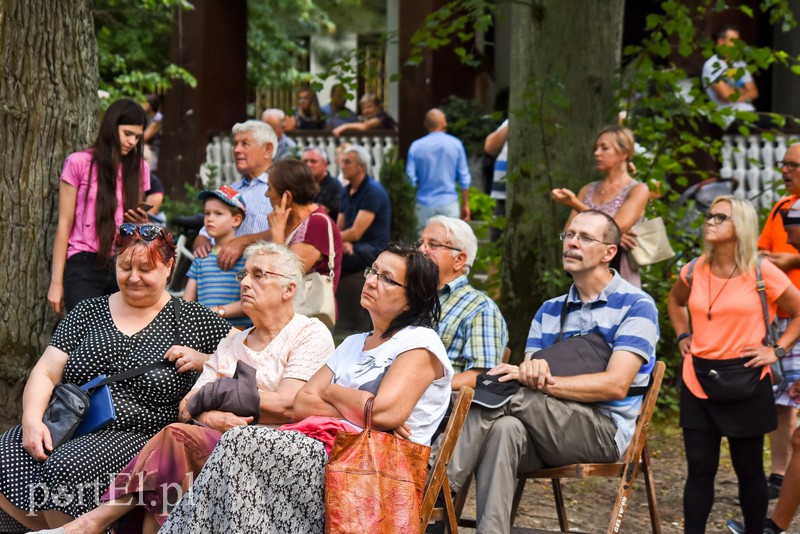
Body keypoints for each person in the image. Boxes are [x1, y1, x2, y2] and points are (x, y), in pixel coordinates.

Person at [158, 243, 454, 533]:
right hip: (330, 455)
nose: (372, 281)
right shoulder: (353, 343)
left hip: (377, 471)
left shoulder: (421, 343)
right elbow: (302, 404)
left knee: (242, 442)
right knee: (236, 449)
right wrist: (359, 402)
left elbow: (384, 413)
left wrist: (332, 391)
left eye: (386, 278)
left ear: (411, 299)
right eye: (372, 271)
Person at [46, 242, 335, 534]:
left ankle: (90, 524)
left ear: (289, 289)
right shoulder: (232, 343)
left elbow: (287, 406)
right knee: (176, 446)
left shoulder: (308, 333)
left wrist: (220, 393)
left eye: (259, 275)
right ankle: (92, 525)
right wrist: (214, 416)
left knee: (176, 439)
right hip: (226, 442)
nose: (246, 282)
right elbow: (187, 406)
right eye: (244, 274)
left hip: (284, 451)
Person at [0, 224, 232, 533]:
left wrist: (205, 361)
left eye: (145, 269)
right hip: (72, 424)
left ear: (169, 267)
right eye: (125, 267)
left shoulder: (195, 319)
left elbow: (247, 355)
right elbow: (46, 371)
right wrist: (31, 420)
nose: (134, 277)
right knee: (8, 452)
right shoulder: (88, 311)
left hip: (144, 438)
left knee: (66, 467)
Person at [447, 209, 659, 534]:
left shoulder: (636, 306)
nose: (572, 243)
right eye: (569, 235)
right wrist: (527, 375)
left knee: (506, 387)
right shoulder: (549, 310)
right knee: (504, 428)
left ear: (609, 252)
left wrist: (532, 379)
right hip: (546, 429)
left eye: (585, 237)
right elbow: (532, 383)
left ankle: (437, 486)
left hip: (603, 432)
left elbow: (616, 385)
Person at [667, 196, 800, 534]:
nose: (709, 221)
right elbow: (675, 300)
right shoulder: (695, 268)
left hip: (747, 379)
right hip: (697, 378)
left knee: (749, 470)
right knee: (699, 469)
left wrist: (778, 350)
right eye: (708, 215)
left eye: (719, 217)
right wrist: (683, 335)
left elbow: (798, 311)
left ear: (739, 225)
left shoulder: (761, 270)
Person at [47, 98, 152, 315]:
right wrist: (56, 282)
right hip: (84, 261)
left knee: (121, 339)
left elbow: (141, 226)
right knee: (84, 338)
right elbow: (64, 225)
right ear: (112, 128)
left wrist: (139, 223)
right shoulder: (78, 163)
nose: (132, 141)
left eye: (137, 137)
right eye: (127, 133)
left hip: (126, 264)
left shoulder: (140, 168)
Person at [551, 125, 649, 287]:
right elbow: (567, 232)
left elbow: (614, 228)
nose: (597, 153)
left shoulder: (637, 190)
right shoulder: (587, 189)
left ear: (623, 153)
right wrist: (613, 236)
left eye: (604, 148)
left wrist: (574, 203)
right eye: (596, 148)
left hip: (621, 278)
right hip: (585, 280)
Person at [418, 216, 507, 389]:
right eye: (421, 243)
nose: (421, 249)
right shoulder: (412, 297)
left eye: (433, 244)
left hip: (436, 409)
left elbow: (484, 375)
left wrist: (422, 390)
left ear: (459, 260)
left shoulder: (481, 308)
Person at [757, 144, 800, 500]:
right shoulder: (780, 208)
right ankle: (780, 475)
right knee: (781, 399)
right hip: (779, 317)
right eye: (783, 164)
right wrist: (769, 259)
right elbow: (761, 250)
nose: (785, 171)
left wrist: (793, 260)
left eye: (793, 165)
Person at [192, 120, 275, 271]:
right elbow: (204, 234)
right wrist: (201, 241)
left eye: (245, 144)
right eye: (235, 144)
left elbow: (290, 231)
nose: (236, 150)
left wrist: (246, 241)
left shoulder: (279, 190)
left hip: (262, 277)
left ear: (268, 149)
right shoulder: (230, 191)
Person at [266, 159, 343, 292]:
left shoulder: (317, 225)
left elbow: (284, 277)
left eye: (270, 188)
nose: (266, 194)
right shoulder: (293, 221)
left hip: (308, 312)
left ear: (287, 197)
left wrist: (277, 232)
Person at [184, 186, 251, 329]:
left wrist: (214, 312)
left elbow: (249, 303)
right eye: (207, 213)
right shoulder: (201, 258)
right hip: (205, 334)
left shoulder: (248, 260)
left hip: (239, 334)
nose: (210, 219)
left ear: (236, 220)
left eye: (218, 214)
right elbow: (187, 304)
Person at [406, 109, 472, 232]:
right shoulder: (456, 144)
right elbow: (464, 176)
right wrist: (466, 203)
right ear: (443, 123)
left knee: (422, 246)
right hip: (449, 203)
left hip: (423, 204)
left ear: (425, 124)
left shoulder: (416, 146)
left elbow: (410, 179)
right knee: (449, 243)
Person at [337, 145, 391, 276]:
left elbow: (356, 233)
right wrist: (343, 240)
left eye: (347, 162)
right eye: (342, 161)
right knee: (329, 255)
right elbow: (339, 227)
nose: (342, 166)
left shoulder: (372, 191)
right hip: (354, 244)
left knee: (331, 258)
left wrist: (333, 240)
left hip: (373, 248)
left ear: (361, 167)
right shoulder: (346, 190)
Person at [702, 26, 758, 128]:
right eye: (733, 41)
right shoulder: (712, 65)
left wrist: (732, 92)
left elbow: (754, 92)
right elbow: (726, 96)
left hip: (749, 112)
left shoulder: (740, 64)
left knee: (788, 125)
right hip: (729, 118)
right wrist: (744, 90)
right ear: (720, 42)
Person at [302, 146, 343, 220]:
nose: (308, 165)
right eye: (305, 161)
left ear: (325, 164)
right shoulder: (300, 184)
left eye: (313, 161)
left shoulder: (334, 186)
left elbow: (316, 215)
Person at [484, 119, 508, 242]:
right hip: (502, 195)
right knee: (496, 239)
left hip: (522, 193)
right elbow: (489, 147)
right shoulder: (510, 121)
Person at [331, 93, 397, 137]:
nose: (366, 111)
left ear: (378, 107)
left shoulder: (383, 116)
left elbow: (365, 126)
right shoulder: (363, 119)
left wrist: (344, 126)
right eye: (363, 108)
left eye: (369, 107)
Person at [141, 94, 163, 171]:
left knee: (149, 174)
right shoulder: (146, 116)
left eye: (144, 102)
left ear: (151, 104)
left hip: (151, 151)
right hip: (144, 150)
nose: (142, 105)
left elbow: (145, 137)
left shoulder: (158, 117)